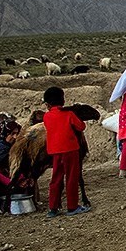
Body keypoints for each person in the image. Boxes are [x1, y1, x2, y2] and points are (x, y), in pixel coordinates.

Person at [43, 86, 90, 217]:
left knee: (56, 178)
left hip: (55, 151)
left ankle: (53, 208)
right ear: (63, 101)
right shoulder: (69, 114)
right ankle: (72, 206)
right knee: (71, 178)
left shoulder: (46, 116)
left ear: (47, 104)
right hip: (71, 150)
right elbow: (81, 127)